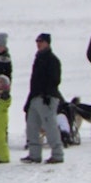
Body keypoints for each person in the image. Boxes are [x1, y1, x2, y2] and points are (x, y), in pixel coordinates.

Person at [22, 33, 64, 165]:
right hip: (35, 97)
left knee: (50, 127)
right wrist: (29, 100)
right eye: (37, 41)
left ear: (47, 43)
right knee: (31, 127)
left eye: (41, 41)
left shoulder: (52, 60)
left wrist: (47, 95)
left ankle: (57, 154)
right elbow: (34, 81)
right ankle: (34, 155)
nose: (38, 43)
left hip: (47, 98)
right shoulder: (38, 59)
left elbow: (55, 80)